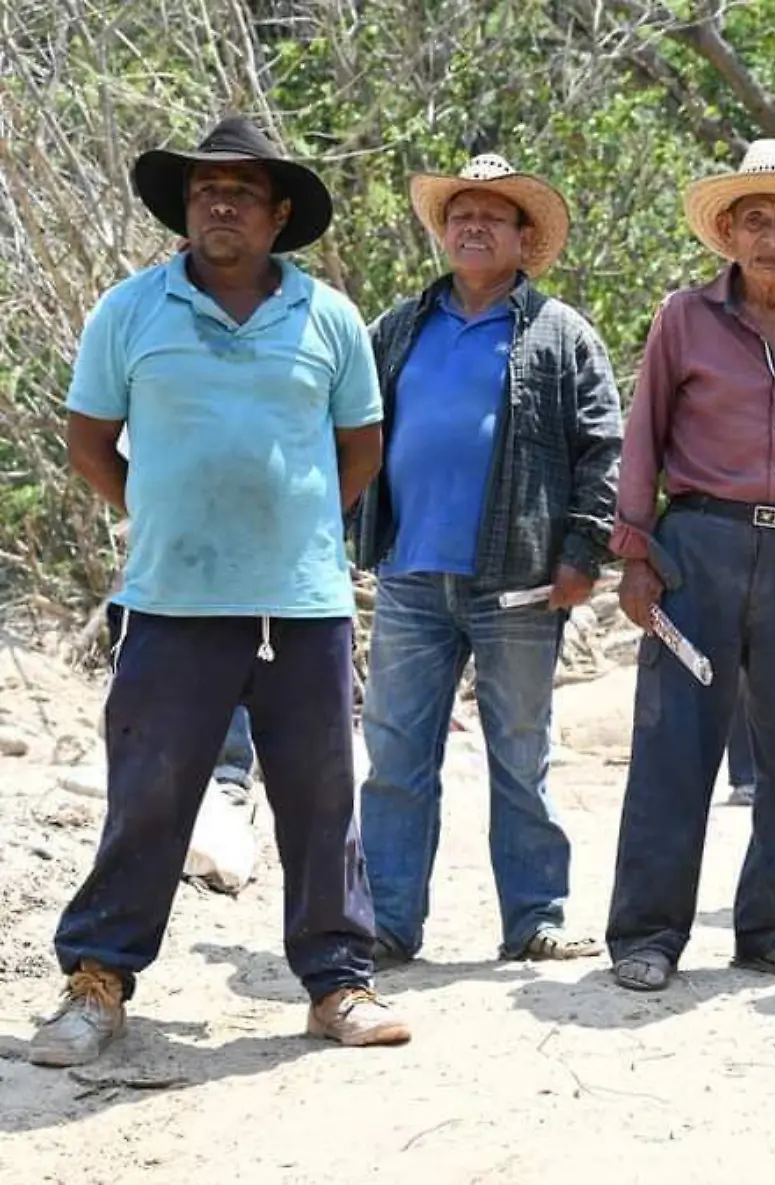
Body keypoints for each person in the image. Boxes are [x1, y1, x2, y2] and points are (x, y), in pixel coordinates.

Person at [32, 116, 408, 1068]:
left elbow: (359, 448)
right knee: (149, 795)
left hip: (304, 605)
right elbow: (87, 443)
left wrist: (298, 527)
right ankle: (98, 983)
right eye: (206, 191)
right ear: (185, 209)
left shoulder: (328, 317)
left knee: (322, 799)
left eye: (242, 190)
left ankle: (338, 984)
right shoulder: (130, 311)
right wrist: (162, 508)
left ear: (279, 214)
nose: (222, 204)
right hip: (170, 601)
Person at [608, 140, 775, 992]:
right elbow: (643, 432)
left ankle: (772, 929)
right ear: (726, 231)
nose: (770, 237)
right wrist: (634, 554)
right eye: (755, 220)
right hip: (697, 551)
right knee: (674, 747)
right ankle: (648, 935)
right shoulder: (682, 316)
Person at [353, 154, 621, 967]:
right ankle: (388, 922)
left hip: (523, 585)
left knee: (520, 752)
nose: (473, 226)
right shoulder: (396, 327)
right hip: (408, 575)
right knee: (397, 758)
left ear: (522, 236)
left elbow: (603, 447)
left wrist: (584, 553)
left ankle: (534, 918)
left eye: (493, 216)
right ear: (443, 230)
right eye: (460, 213)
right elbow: (352, 429)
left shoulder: (561, 333)